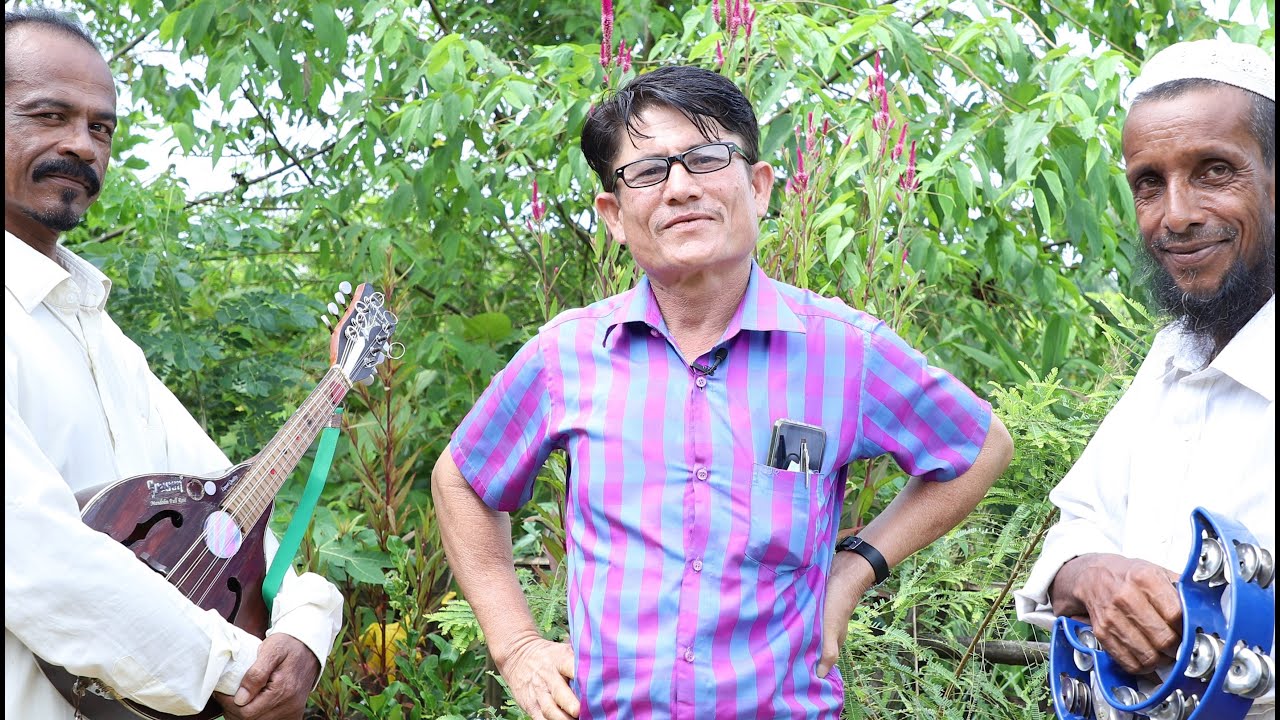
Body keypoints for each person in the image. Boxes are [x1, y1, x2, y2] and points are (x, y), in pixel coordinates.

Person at [432, 64, 1013, 719]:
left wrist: (855, 568)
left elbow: (981, 448)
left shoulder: (845, 352)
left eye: (707, 158)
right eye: (647, 171)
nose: (680, 187)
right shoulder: (566, 355)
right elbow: (462, 481)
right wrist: (517, 647)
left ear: (759, 188)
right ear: (614, 216)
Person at [4, 9, 344, 720]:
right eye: (49, 115)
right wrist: (241, 664)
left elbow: (228, 509)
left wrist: (306, 624)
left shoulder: (102, 336)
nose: (82, 145)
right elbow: (35, 559)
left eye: (101, 128)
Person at [1015, 39, 1275, 718]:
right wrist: (1095, 575)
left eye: (1215, 171)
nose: (1176, 215)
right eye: (1149, 184)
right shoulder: (1173, 357)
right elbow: (1075, 532)